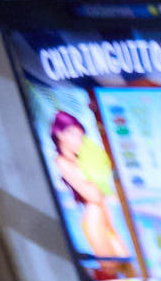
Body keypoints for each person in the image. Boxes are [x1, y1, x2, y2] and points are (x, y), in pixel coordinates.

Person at [50, 111, 129, 261]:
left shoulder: (83, 159)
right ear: (60, 134)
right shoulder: (62, 162)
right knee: (112, 269)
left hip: (106, 215)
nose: (78, 141)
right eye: (73, 135)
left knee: (125, 263)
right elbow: (93, 195)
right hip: (94, 218)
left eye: (81, 136)